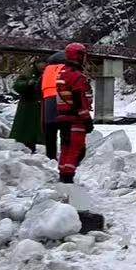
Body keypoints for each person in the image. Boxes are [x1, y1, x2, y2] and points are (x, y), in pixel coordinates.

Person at [53, 42, 93, 184]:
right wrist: (87, 119)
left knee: (65, 147)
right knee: (76, 149)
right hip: (75, 119)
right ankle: (68, 178)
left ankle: (63, 175)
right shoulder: (76, 76)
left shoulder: (62, 73)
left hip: (63, 117)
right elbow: (79, 100)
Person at [8, 65, 44, 152]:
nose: (42, 66)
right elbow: (17, 85)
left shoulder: (47, 74)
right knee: (25, 130)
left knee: (39, 131)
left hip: (40, 106)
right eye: (40, 63)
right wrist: (27, 83)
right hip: (27, 106)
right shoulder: (28, 74)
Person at [40, 49, 65, 159]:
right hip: (63, 100)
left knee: (50, 133)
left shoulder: (47, 70)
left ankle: (51, 157)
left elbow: (38, 87)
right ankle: (65, 157)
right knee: (65, 131)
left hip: (47, 102)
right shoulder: (65, 68)